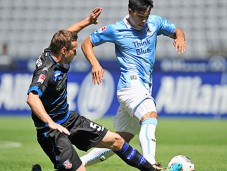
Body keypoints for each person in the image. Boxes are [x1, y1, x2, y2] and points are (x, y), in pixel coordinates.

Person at [26, 7, 182, 171]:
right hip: (51, 130)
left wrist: (88, 22)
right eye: (73, 50)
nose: (76, 53)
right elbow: (32, 97)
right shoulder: (47, 70)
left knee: (117, 140)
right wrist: (51, 124)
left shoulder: (55, 48)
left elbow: (65, 33)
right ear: (63, 50)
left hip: (69, 119)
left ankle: (152, 169)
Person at [80, 0, 186, 168]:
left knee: (119, 140)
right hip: (130, 86)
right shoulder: (116, 29)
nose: (144, 20)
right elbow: (86, 43)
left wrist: (180, 37)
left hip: (143, 87)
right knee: (150, 115)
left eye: (147, 15)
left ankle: (77, 164)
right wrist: (95, 64)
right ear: (130, 10)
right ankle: (150, 163)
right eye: (140, 16)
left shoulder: (154, 22)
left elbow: (177, 31)